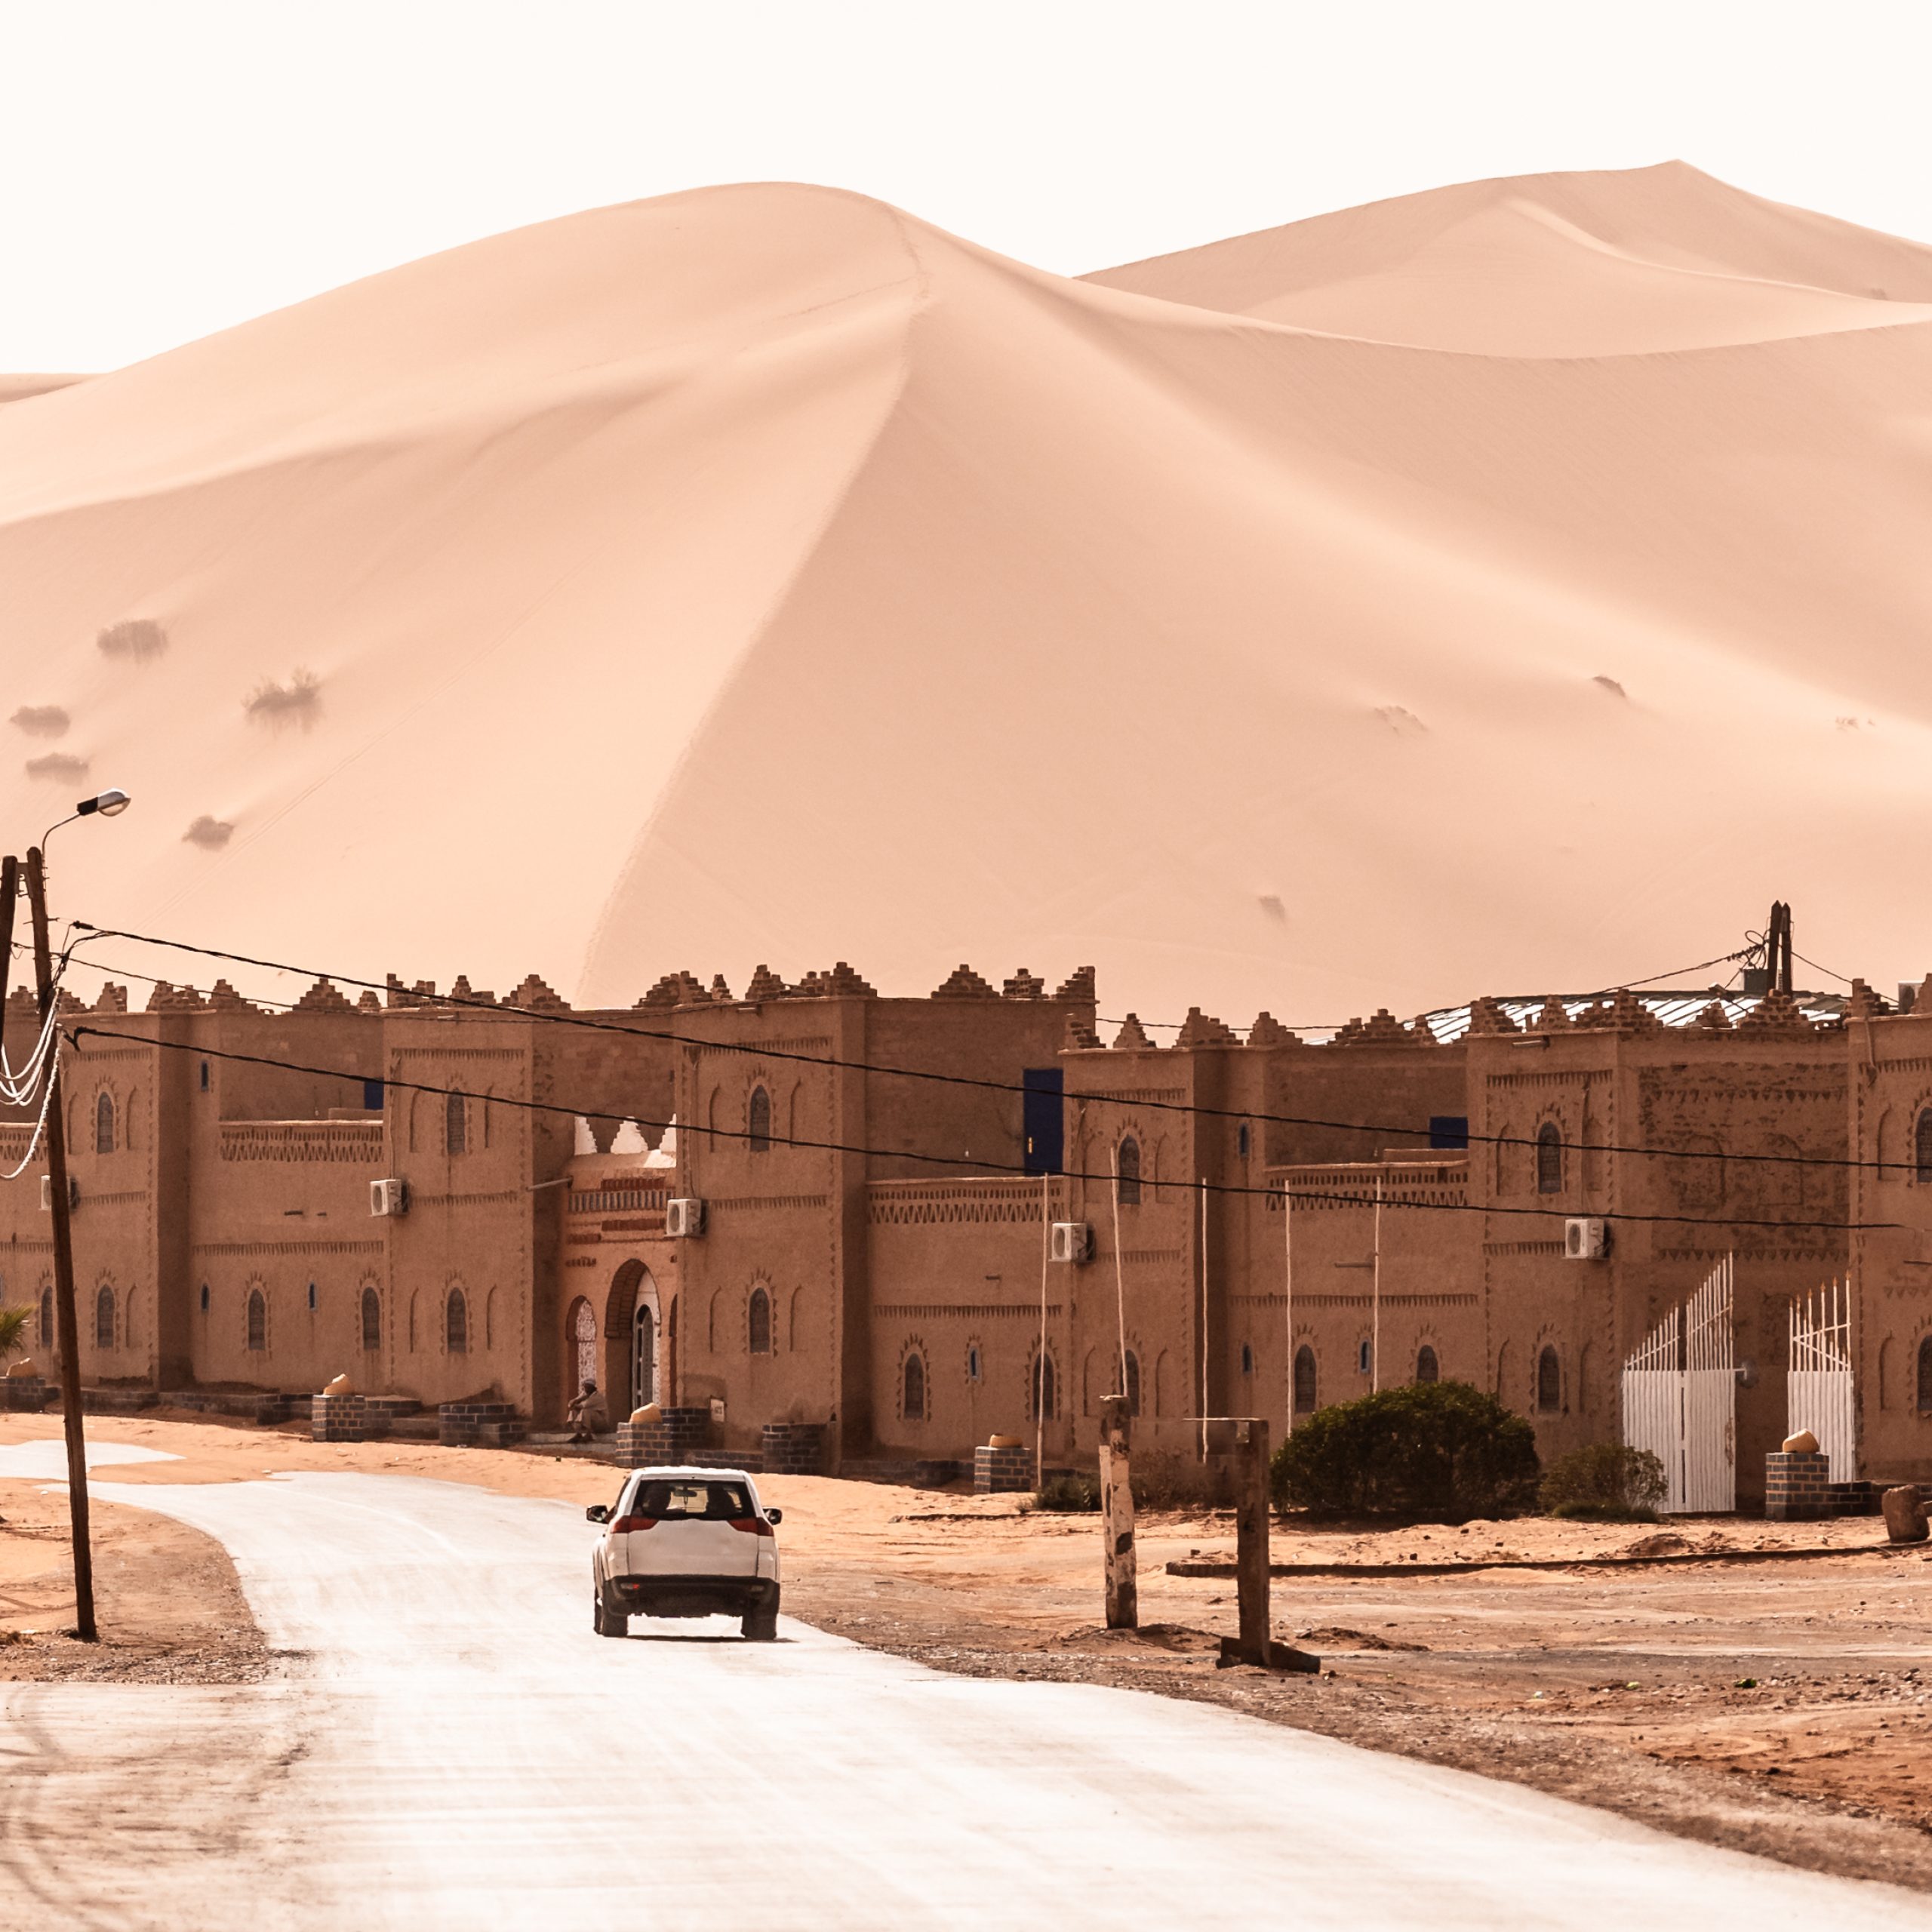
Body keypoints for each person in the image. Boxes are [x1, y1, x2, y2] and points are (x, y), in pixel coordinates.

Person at [567, 1378, 606, 1444]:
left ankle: (589, 1434)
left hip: (601, 1424)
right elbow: (570, 1404)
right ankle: (578, 1433)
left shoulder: (597, 1397)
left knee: (586, 1411)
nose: (586, 1389)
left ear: (593, 1388)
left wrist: (580, 1400)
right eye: (585, 1387)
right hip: (591, 1422)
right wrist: (578, 1400)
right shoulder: (584, 1394)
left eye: (588, 1388)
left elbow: (584, 1406)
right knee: (573, 1411)